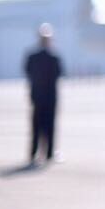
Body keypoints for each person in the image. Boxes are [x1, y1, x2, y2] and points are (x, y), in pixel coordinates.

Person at [24, 22, 63, 164]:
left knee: (36, 126)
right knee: (49, 126)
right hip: (50, 97)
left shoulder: (32, 57)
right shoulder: (54, 57)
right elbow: (59, 74)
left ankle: (33, 154)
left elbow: (27, 72)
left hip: (37, 97)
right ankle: (48, 154)